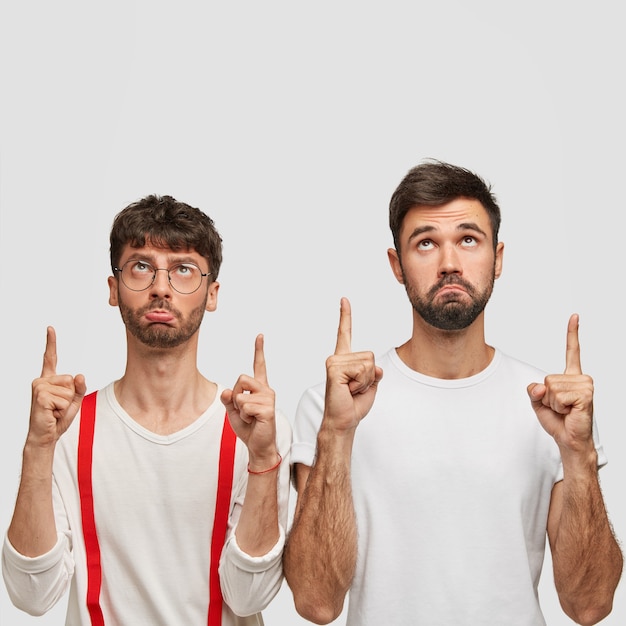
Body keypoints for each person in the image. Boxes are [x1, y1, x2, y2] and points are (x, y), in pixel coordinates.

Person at [283, 161, 623, 626]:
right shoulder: (332, 406)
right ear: (396, 265)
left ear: (497, 258)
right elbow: (316, 603)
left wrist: (579, 453)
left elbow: (590, 605)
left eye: (468, 239)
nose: (449, 263)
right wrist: (337, 434)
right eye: (426, 243)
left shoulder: (553, 408)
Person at [2, 195, 291, 625]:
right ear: (113, 289)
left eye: (183, 269)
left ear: (211, 294)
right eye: (140, 266)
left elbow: (247, 597)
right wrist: (37, 448)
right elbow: (32, 595)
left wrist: (264, 459)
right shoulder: (68, 429)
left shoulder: (256, 429)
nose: (161, 287)